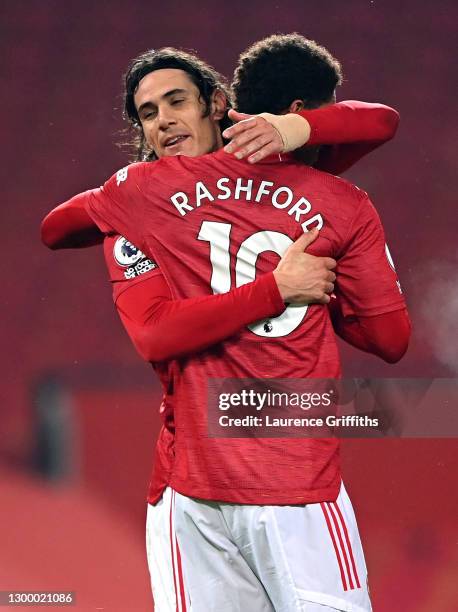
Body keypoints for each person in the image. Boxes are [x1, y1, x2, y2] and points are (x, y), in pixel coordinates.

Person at [42, 34, 410, 611]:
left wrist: (117, 204)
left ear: (219, 104)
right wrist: (284, 289)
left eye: (176, 102)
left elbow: (54, 229)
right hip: (276, 484)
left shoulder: (137, 195)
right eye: (148, 113)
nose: (163, 122)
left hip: (215, 488)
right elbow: (390, 339)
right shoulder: (337, 197)